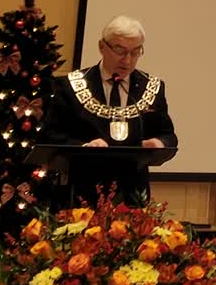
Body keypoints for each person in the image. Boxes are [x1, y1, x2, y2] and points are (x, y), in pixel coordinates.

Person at [41, 15, 178, 204]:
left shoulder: (152, 88)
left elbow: (168, 135)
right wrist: (84, 147)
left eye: (135, 52)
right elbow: (50, 135)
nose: (127, 60)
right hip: (82, 192)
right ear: (102, 46)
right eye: (120, 51)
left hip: (133, 193)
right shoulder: (71, 86)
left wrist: (158, 143)